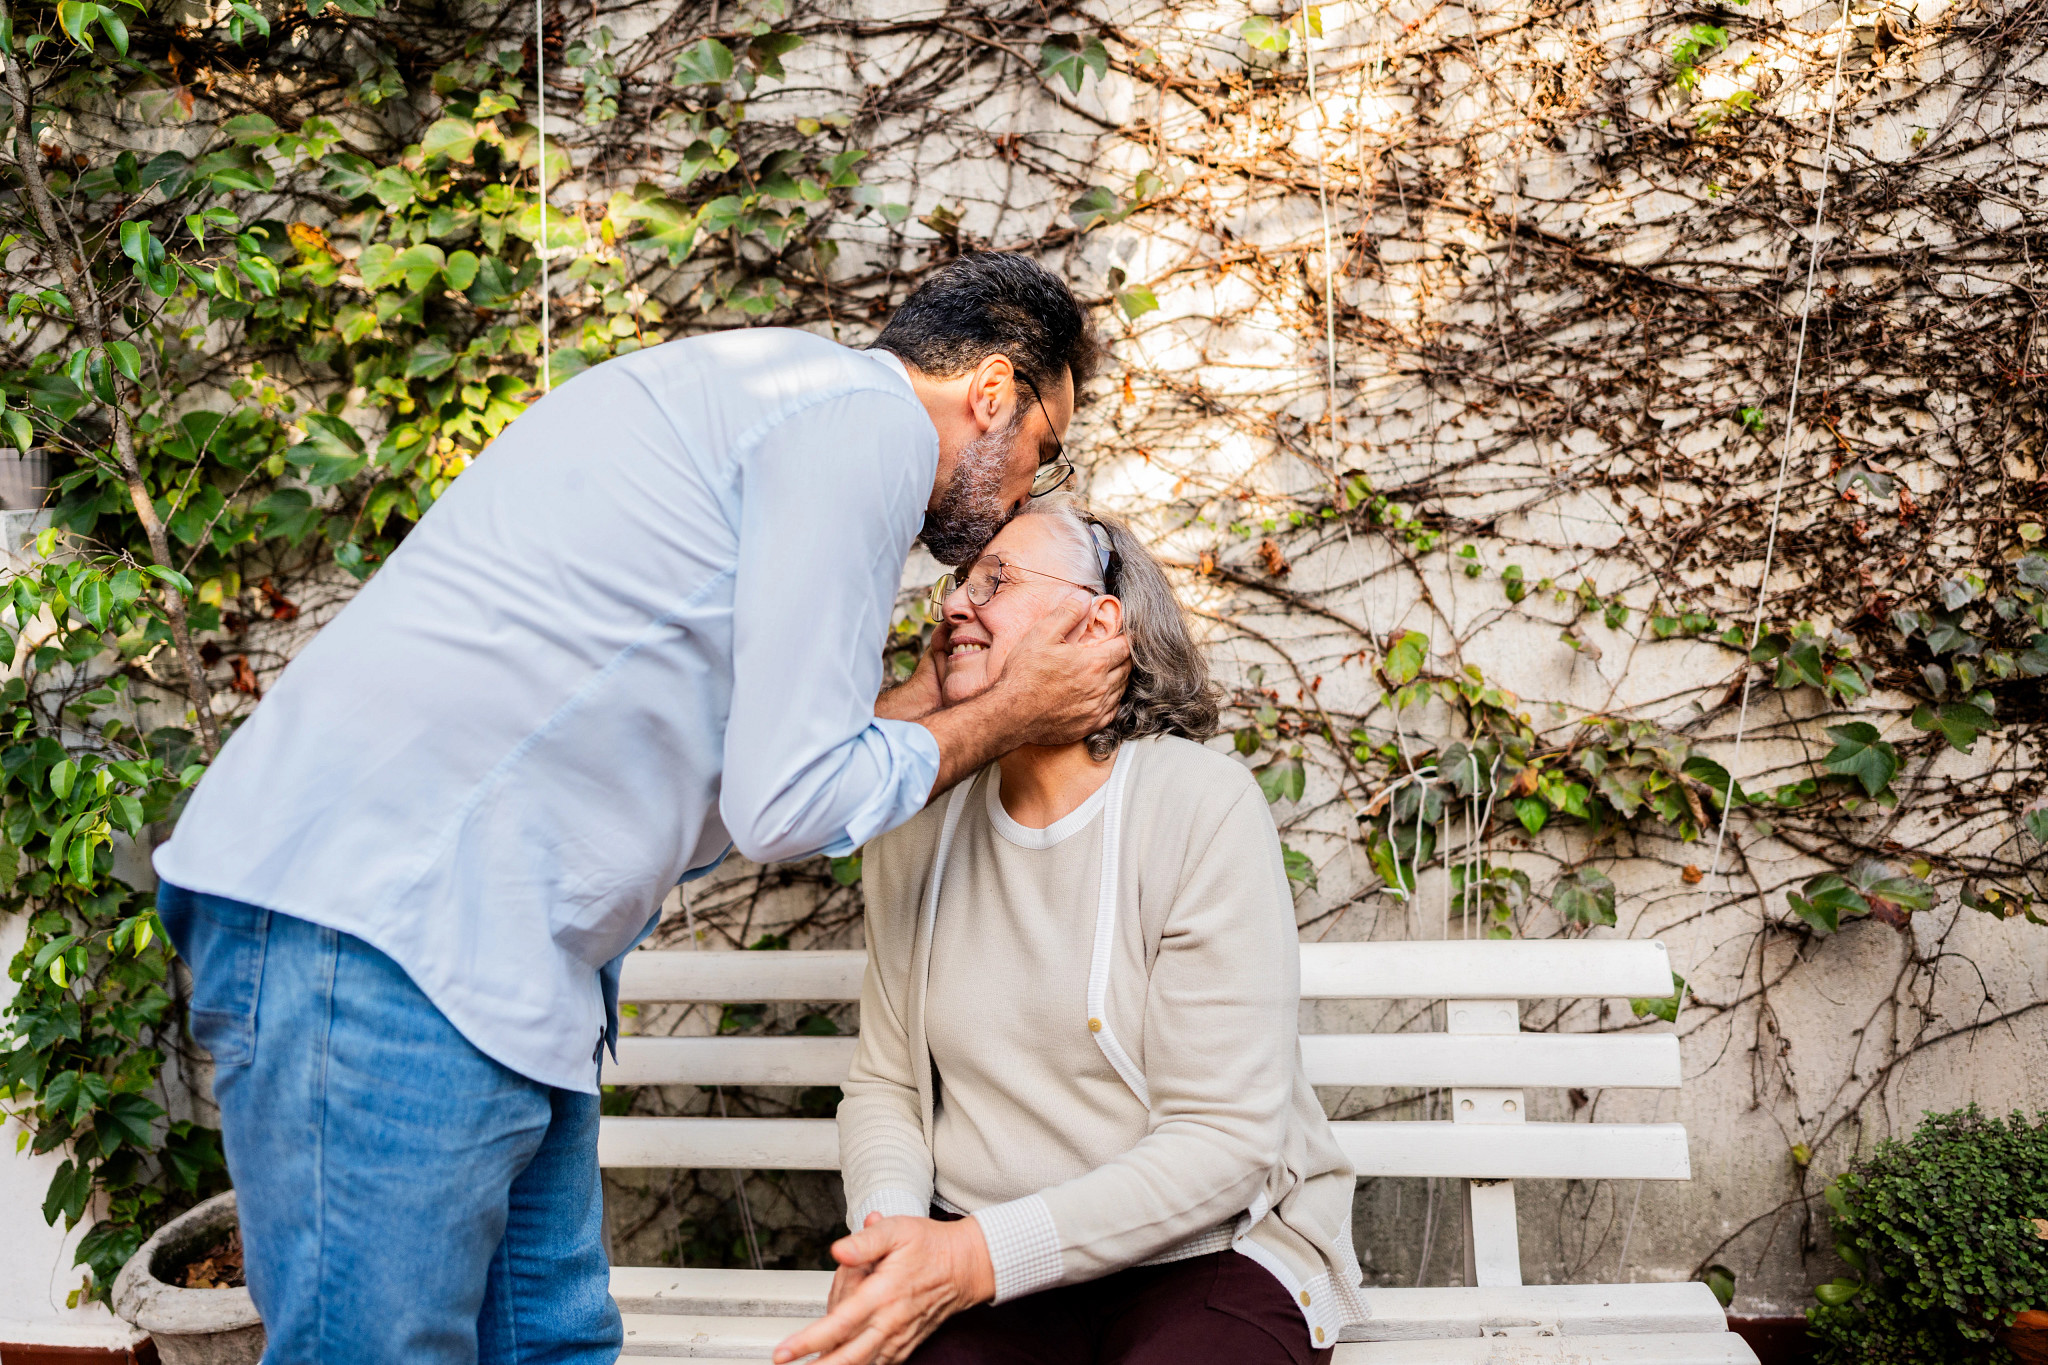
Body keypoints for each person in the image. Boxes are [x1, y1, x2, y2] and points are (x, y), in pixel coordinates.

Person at [148, 253, 1130, 1364]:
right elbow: (787, 803)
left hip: (495, 960)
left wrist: (946, 704)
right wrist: (1007, 716)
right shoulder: (866, 427)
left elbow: (753, 749)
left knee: (554, 1346)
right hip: (384, 925)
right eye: (1039, 454)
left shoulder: (777, 402)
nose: (1020, 496)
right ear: (992, 393)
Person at [776, 497, 1368, 1365]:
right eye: (958, 582)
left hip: (1208, 1254)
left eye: (998, 580)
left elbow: (1226, 1142)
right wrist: (891, 1241)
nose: (953, 605)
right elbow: (886, 1087)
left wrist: (970, 1259)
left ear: (1098, 625)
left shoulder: (1199, 805)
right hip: (984, 1268)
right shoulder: (919, 822)